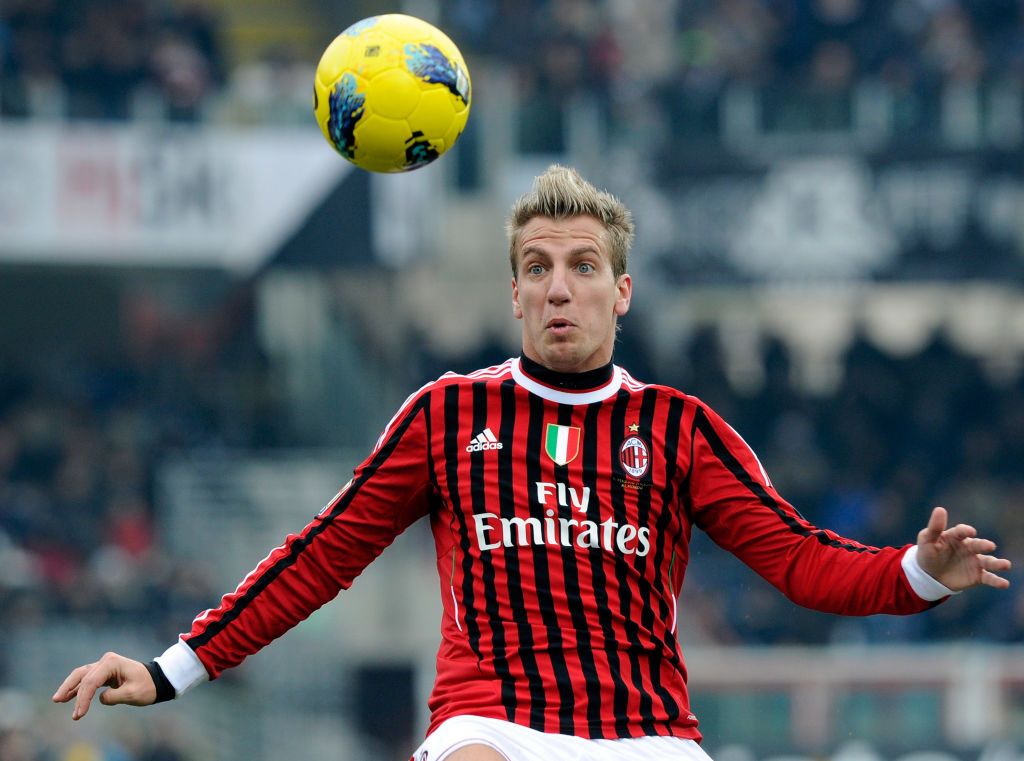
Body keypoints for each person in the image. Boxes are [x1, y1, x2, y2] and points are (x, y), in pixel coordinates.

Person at [54, 166, 1012, 761]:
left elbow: (804, 562)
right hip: (493, 728)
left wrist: (920, 572)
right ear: (514, 293)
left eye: (585, 265)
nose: (562, 287)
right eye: (541, 268)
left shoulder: (680, 428)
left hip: (647, 736)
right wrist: (171, 668)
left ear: (621, 291)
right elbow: (321, 557)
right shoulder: (445, 415)